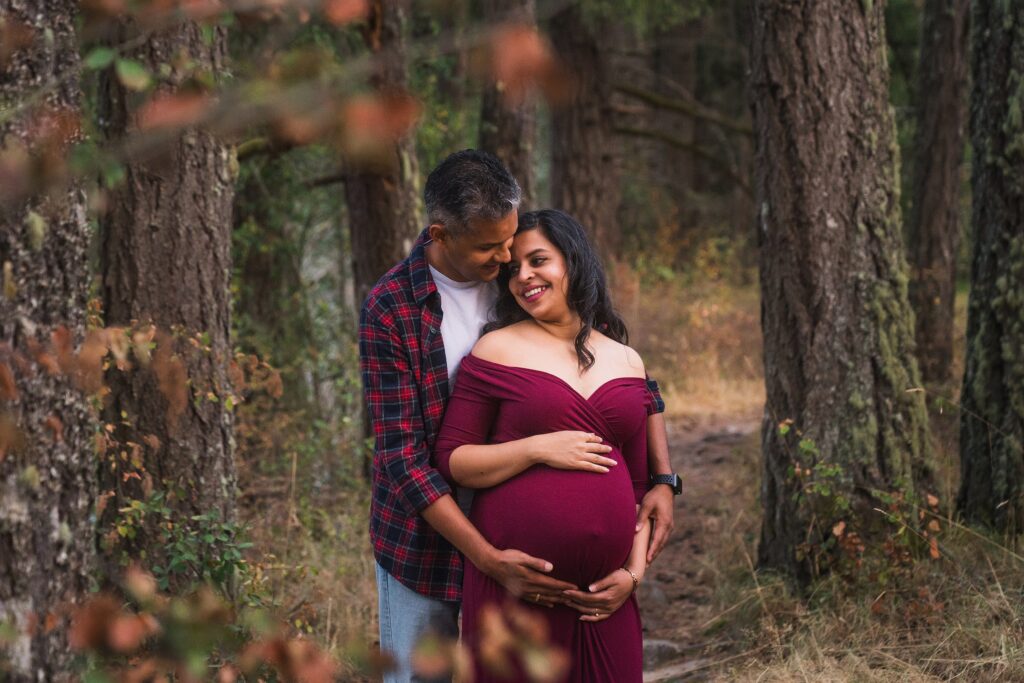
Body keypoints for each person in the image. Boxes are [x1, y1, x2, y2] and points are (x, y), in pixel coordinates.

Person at [359, 150, 680, 683]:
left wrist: (663, 480)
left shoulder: (524, 277)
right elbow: (402, 457)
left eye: (512, 240)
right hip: (424, 530)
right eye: (491, 246)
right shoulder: (392, 306)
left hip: (538, 552)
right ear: (440, 235)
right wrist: (487, 557)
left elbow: (623, 376)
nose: (508, 257)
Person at [434, 209, 666, 682]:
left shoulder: (626, 359)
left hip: (606, 603)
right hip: (518, 595)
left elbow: (643, 488)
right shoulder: (496, 349)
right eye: (514, 269)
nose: (524, 277)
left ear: (574, 261)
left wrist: (633, 576)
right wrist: (536, 448)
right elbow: (453, 460)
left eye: (538, 260)